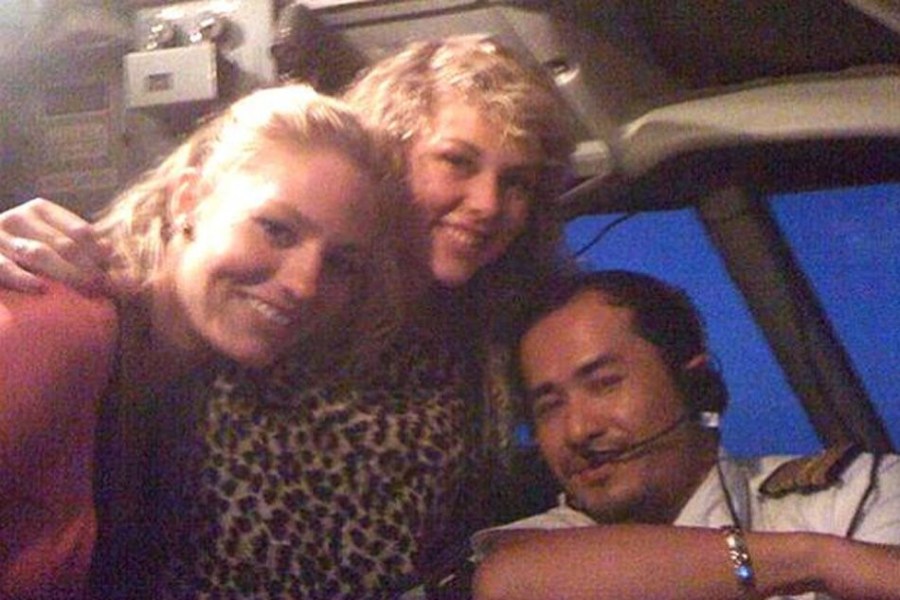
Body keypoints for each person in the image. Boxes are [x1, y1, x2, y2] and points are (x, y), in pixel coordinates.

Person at [0, 37, 576, 597]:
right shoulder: (75, 321)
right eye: (456, 161)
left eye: (517, 183)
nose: (487, 203)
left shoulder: (490, 338)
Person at [0, 83, 406, 599]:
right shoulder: (59, 328)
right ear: (188, 200)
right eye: (276, 230)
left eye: (341, 262)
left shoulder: (198, 378)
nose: (306, 284)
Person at [470, 269, 900, 599]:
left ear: (696, 386)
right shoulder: (534, 549)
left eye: (604, 384)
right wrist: (815, 558)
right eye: (549, 407)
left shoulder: (855, 493)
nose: (578, 430)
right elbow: (511, 583)